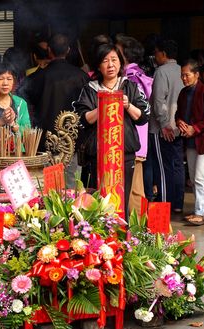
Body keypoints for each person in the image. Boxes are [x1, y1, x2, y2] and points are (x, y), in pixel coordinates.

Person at [74, 43, 149, 218]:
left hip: (124, 153)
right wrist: (103, 105)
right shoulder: (90, 89)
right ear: (98, 66)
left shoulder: (129, 86)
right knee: (99, 199)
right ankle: (100, 240)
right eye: (105, 61)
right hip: (98, 154)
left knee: (123, 199)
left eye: (114, 60)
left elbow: (143, 117)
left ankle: (122, 238)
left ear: (121, 63)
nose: (110, 65)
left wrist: (127, 105)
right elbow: (83, 119)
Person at [19, 33, 89, 188]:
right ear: (69, 50)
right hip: (73, 141)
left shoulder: (36, 78)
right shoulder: (82, 76)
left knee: (50, 188)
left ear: (49, 50)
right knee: (72, 187)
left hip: (45, 141)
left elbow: (25, 106)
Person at [176, 59, 204, 225]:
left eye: (187, 75)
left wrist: (195, 128)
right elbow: (178, 114)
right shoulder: (183, 92)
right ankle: (202, 208)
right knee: (195, 177)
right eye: (182, 76)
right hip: (191, 141)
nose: (184, 78)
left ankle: (201, 213)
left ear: (196, 75)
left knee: (200, 177)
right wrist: (179, 121)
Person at [115, 34, 152, 215]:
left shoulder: (129, 79)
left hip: (130, 141)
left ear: (124, 56)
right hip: (139, 140)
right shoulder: (142, 74)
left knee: (134, 190)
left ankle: (137, 232)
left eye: (116, 54)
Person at [146, 38, 185, 212]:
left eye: (156, 52)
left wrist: (162, 124)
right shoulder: (182, 70)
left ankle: (163, 205)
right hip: (178, 127)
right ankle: (177, 203)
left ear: (162, 53)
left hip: (162, 129)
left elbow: (158, 101)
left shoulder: (161, 71)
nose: (155, 56)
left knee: (162, 167)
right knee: (177, 165)